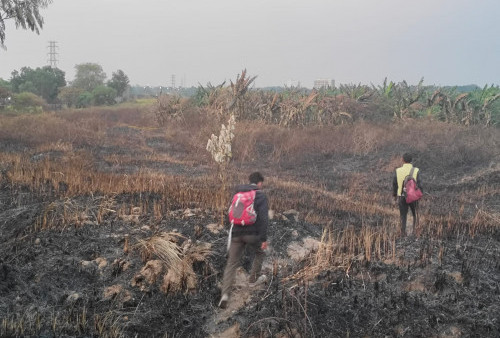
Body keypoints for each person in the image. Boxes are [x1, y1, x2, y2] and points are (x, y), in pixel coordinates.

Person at [219, 172, 269, 309]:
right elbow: (264, 219)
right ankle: (253, 280)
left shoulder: (238, 194)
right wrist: (263, 239)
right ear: (259, 183)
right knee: (260, 253)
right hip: (252, 234)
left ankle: (225, 294)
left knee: (232, 263)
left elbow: (232, 213)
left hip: (236, 233)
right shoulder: (260, 195)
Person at [392, 153, 423, 236]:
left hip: (401, 196)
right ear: (411, 160)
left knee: (403, 215)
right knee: (415, 215)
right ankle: (414, 232)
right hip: (413, 197)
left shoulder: (398, 170)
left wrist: (395, 195)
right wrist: (420, 195)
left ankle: (403, 233)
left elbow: (394, 184)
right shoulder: (416, 170)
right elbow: (420, 184)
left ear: (402, 159)